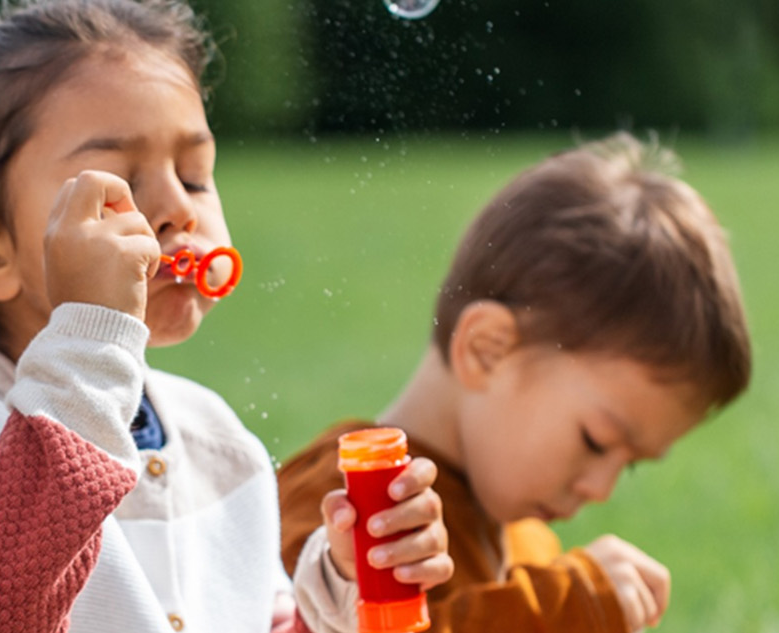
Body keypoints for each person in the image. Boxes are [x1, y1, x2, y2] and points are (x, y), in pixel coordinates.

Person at [0, 1, 451, 632]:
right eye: (118, 185)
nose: (178, 210)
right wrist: (90, 337)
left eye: (195, 178)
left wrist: (339, 590)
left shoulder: (212, 436)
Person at [277, 133, 753, 633]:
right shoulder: (351, 509)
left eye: (628, 466)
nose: (601, 489)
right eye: (596, 441)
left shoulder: (527, 541)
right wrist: (561, 614)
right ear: (487, 350)